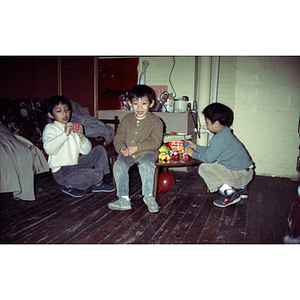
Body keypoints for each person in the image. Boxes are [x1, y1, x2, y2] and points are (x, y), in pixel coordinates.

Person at [42, 95, 116, 197]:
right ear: (50, 115)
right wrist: (64, 135)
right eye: (59, 111)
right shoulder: (50, 128)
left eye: (67, 109)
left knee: (99, 149)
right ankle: (69, 186)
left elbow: (86, 151)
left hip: (75, 165)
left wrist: (82, 138)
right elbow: (49, 149)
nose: (64, 113)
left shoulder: (71, 127)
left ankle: (97, 183)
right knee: (97, 175)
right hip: (62, 173)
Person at [185, 102, 254, 208]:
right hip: (245, 173)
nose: (206, 125)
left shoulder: (220, 138)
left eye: (207, 122)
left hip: (240, 176)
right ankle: (241, 188)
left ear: (216, 124)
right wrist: (196, 147)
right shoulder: (225, 134)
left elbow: (208, 158)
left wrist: (192, 154)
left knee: (204, 168)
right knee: (217, 163)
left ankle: (230, 194)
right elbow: (211, 151)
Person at [108, 85, 163, 213]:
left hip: (147, 152)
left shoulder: (156, 121)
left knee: (147, 165)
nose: (139, 107)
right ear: (129, 104)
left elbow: (155, 142)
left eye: (144, 103)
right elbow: (118, 138)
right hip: (128, 153)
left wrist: (136, 148)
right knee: (119, 165)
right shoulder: (127, 120)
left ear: (151, 104)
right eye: (135, 104)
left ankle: (149, 196)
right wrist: (122, 148)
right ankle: (123, 199)